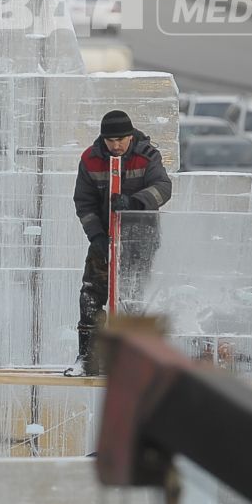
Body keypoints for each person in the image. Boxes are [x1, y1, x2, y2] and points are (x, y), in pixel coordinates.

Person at [65, 109, 171, 376]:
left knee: (133, 297)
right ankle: (88, 357)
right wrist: (97, 236)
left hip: (140, 239)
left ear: (130, 136)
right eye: (111, 140)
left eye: (121, 139)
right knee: (91, 294)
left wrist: (135, 202)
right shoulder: (90, 160)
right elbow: (84, 202)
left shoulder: (147, 156)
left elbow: (163, 187)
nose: (116, 145)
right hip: (104, 237)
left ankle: (130, 360)